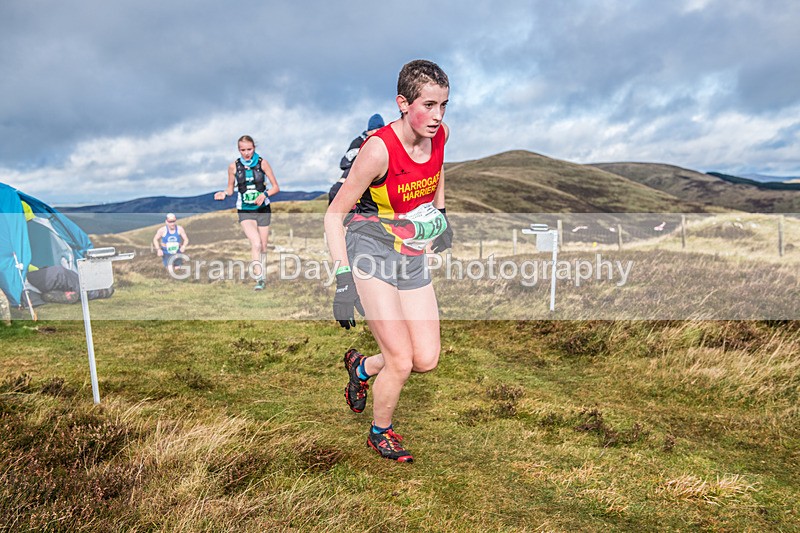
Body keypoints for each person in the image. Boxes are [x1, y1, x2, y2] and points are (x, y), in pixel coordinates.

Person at [324, 59, 454, 463]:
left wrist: (441, 215)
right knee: (400, 358)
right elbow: (333, 215)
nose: (437, 115)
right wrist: (343, 280)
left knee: (425, 359)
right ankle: (380, 432)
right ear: (402, 103)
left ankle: (362, 368)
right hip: (370, 249)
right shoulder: (378, 150)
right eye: (428, 105)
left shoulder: (440, 134)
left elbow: (437, 170)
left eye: (443, 105)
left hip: (410, 251)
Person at [214, 135, 280, 290]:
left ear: (254, 148)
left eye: (249, 149)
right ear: (238, 150)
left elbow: (276, 187)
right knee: (256, 243)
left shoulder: (263, 163)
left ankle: (262, 274)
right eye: (242, 150)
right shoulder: (233, 167)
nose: (246, 153)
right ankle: (259, 279)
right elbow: (230, 189)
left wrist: (264, 195)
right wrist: (224, 193)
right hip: (245, 210)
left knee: (263, 246)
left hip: (263, 209)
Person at [328, 113, 385, 204]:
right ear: (370, 130)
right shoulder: (358, 142)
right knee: (335, 192)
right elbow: (344, 163)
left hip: (377, 177)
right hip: (354, 173)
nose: (379, 133)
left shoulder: (383, 142)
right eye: (377, 130)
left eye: (381, 130)